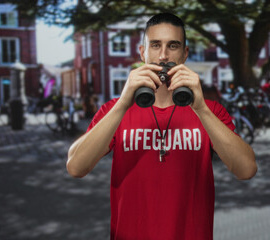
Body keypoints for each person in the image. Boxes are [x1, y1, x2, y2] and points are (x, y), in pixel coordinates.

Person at [66, 13, 257, 239]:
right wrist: (123, 102)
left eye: (173, 46)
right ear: (142, 52)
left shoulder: (210, 111)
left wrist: (201, 108)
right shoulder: (115, 110)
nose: (163, 55)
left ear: (185, 54)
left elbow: (246, 170)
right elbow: (76, 167)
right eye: (155, 45)